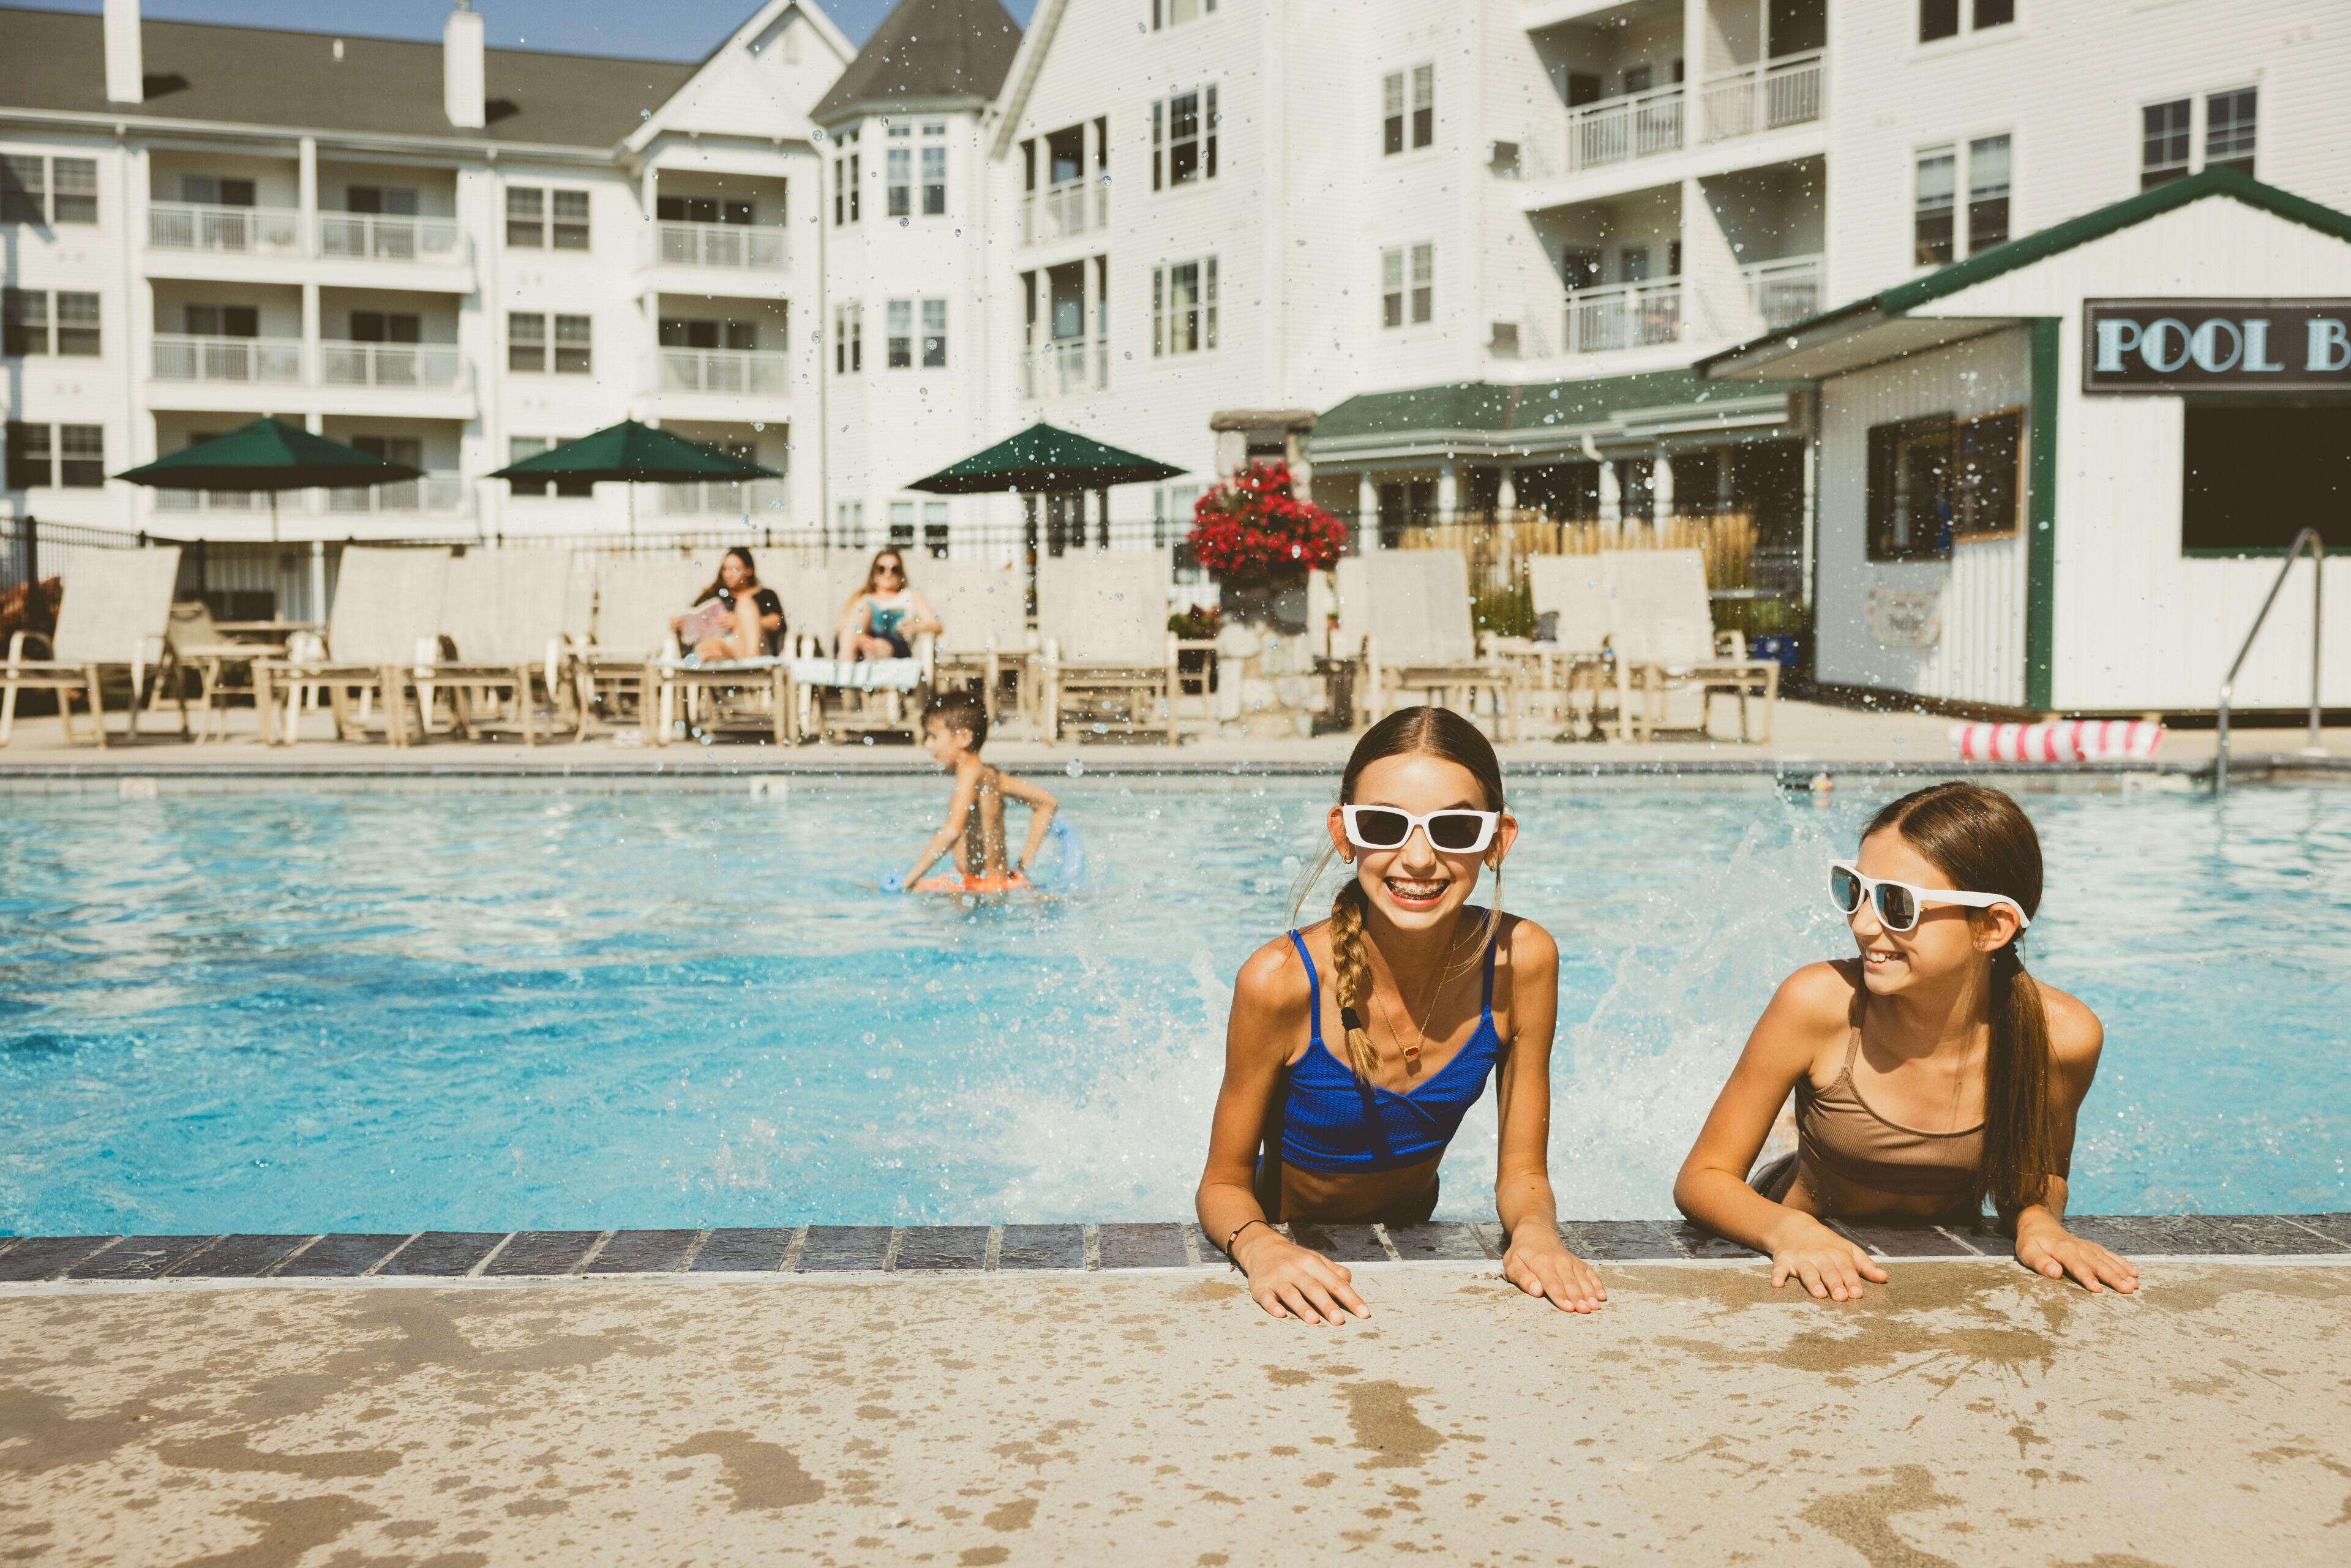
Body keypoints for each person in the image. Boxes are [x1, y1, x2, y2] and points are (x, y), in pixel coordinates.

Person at [1194, 706, 1607, 1325]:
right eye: (1385, 825)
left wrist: (1537, 1232)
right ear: (1344, 833)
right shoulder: (1279, 980)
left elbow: (1522, 1170)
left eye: (1456, 828)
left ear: (1498, 840)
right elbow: (1223, 1184)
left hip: (1415, 1224)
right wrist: (1262, 1247)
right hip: (1287, 1230)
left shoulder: (1522, 961)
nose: (1418, 857)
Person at [1674, 781, 2140, 1301]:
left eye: (1898, 904)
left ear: (1992, 925)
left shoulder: (2063, 1036)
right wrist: (1789, 1230)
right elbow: (1703, 1177)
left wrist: (2038, 1222)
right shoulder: (1817, 1003)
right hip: (1796, 1234)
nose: (1864, 923)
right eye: (1855, 890)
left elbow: (2041, 1175)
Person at [894, 689, 1059, 895]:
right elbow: (1047, 803)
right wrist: (1022, 868)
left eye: (933, 736)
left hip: (980, 888)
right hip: (995, 884)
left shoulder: (970, 774)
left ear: (964, 738)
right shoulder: (991, 775)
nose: (927, 744)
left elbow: (951, 832)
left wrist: (908, 881)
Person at [675, 548, 785, 661]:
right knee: (708, 649)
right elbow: (692, 614)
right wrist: (679, 623)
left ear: (749, 570)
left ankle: (752, 667)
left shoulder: (765, 595)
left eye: (735, 569)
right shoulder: (714, 595)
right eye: (725, 569)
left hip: (753, 649)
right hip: (725, 649)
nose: (728, 575)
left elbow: (776, 622)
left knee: (744, 603)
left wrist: (740, 621)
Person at [837, 548, 940, 662]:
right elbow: (841, 629)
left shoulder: (910, 596)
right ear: (874, 573)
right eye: (881, 569)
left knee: (875, 646)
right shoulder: (861, 597)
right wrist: (860, 640)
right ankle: (846, 666)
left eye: (894, 569)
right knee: (861, 611)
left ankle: (853, 668)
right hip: (857, 645)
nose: (888, 574)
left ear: (901, 573)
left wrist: (916, 626)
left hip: (895, 646)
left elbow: (937, 625)